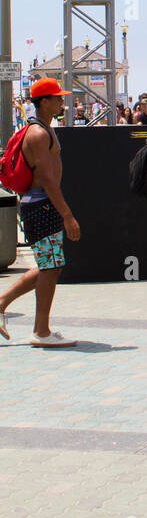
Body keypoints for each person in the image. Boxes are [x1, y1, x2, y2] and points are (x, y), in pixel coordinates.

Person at [0, 78, 81, 347]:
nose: (61, 102)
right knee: (51, 267)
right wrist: (67, 215)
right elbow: (46, 179)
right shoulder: (38, 134)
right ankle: (41, 331)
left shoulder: (43, 129)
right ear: (43, 101)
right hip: (41, 206)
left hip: (41, 205)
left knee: (50, 265)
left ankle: (2, 304)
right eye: (57, 98)